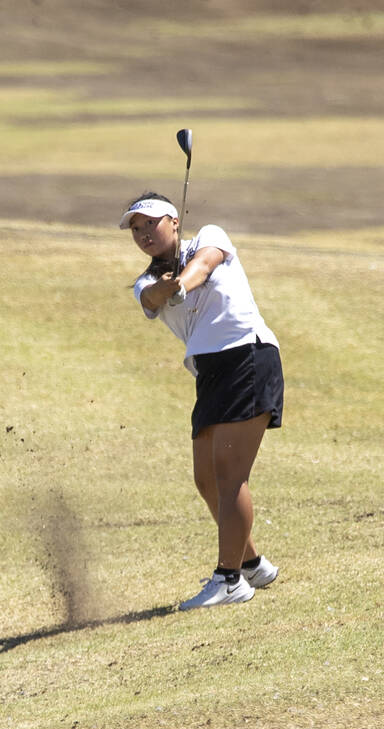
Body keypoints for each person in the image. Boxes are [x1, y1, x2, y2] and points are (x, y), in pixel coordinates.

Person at [119, 191, 284, 608]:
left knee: (230, 475)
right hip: (211, 373)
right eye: (135, 228)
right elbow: (150, 300)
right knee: (207, 480)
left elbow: (204, 265)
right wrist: (166, 289)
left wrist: (182, 284)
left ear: (174, 221)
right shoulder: (145, 281)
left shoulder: (211, 236)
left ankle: (228, 580)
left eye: (150, 223)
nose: (143, 233)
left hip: (246, 354)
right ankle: (250, 563)